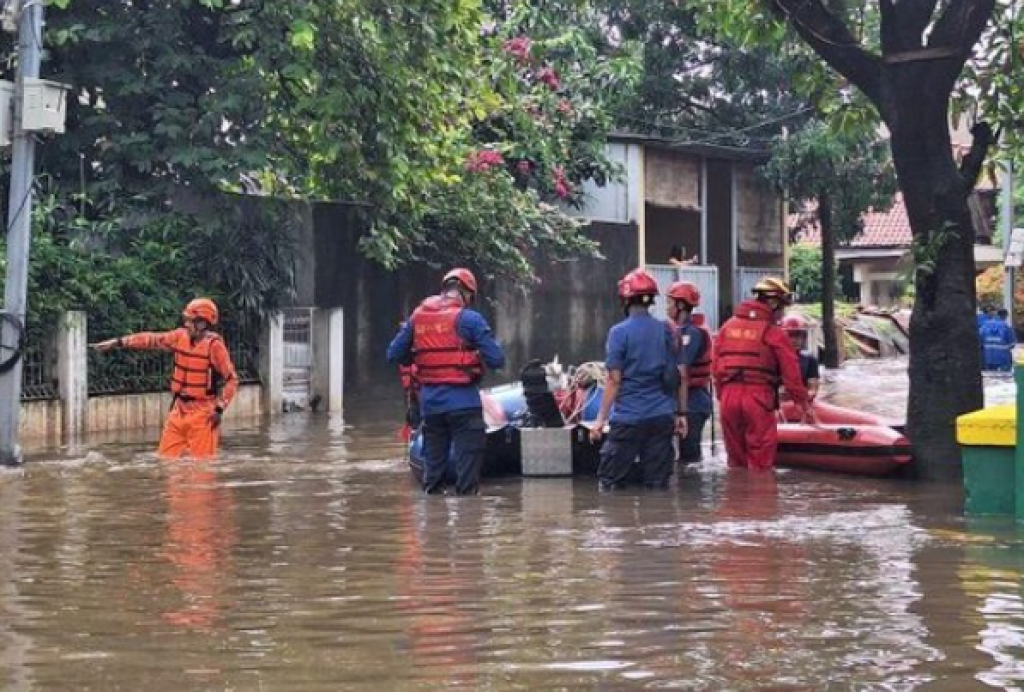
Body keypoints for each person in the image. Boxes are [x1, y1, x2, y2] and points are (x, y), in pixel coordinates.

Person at [387, 268, 505, 495]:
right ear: (466, 293)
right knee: (468, 481)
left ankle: (433, 523)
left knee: (432, 479)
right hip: (464, 405)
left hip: (431, 406)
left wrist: (419, 356)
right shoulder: (470, 319)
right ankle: (466, 524)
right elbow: (497, 359)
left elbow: (393, 354)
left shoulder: (418, 317)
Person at [91, 298, 238, 459]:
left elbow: (231, 379)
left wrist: (219, 409)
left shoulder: (215, 346)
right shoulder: (179, 336)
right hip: (178, 409)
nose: (186, 324)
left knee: (201, 470)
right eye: (186, 320)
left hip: (203, 413)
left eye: (190, 321)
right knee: (166, 463)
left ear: (203, 323)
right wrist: (118, 342)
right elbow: (151, 340)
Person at [589, 268, 687, 490]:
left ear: (624, 300)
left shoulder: (618, 333)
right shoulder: (667, 330)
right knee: (658, 486)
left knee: (610, 484)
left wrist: (600, 420)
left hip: (628, 419)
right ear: (651, 300)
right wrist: (681, 414)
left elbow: (614, 380)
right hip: (662, 417)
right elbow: (679, 375)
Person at [712, 278, 811, 471]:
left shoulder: (727, 327)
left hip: (728, 399)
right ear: (773, 303)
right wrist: (803, 405)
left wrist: (721, 397)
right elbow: (792, 375)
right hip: (758, 398)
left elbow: (716, 369)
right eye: (782, 307)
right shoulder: (774, 332)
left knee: (735, 462)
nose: (782, 313)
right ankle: (761, 500)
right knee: (761, 464)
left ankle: (735, 499)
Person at [665, 281, 713, 464]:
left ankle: (691, 491)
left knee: (689, 456)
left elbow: (680, 366)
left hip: (694, 401)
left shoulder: (693, 333)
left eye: (670, 303)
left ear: (681, 305)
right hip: (685, 399)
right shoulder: (679, 331)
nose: (667, 308)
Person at [779, 314, 820, 400]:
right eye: (790, 335)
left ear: (804, 337)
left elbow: (813, 388)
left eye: (798, 335)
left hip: (800, 402)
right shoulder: (772, 359)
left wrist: (805, 394)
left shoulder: (810, 360)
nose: (795, 340)